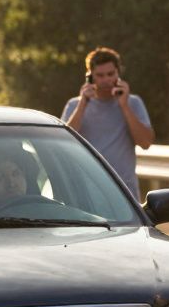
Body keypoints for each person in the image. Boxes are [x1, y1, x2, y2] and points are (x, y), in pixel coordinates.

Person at [62, 47, 154, 198]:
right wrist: (83, 104)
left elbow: (145, 143)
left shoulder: (134, 103)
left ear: (118, 74)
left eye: (111, 74)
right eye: (100, 75)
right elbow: (64, 142)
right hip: (86, 193)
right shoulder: (75, 105)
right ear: (90, 77)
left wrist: (124, 106)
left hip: (125, 194)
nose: (106, 80)